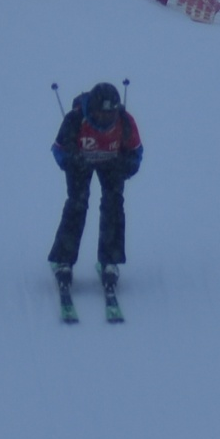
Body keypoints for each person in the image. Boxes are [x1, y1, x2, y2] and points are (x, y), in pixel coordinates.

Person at [49, 82, 143, 299]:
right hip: (80, 162)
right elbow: (59, 150)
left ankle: (110, 260)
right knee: (77, 203)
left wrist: (125, 166)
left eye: (111, 114)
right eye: (101, 114)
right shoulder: (75, 120)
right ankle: (64, 260)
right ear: (91, 110)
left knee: (114, 203)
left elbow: (136, 153)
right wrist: (73, 161)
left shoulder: (125, 123)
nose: (105, 119)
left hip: (112, 163)